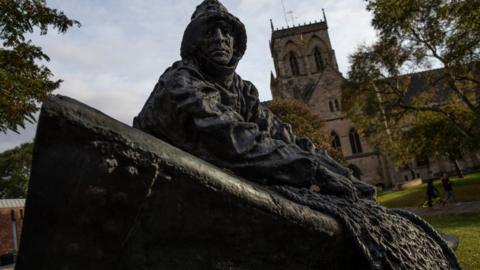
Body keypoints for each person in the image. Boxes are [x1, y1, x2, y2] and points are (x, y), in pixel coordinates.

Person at [133, 0, 375, 201]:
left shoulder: (241, 90)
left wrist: (344, 174)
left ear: (235, 42)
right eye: (209, 32)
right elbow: (234, 140)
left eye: (226, 32)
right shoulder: (181, 82)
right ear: (195, 44)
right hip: (154, 192)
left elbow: (283, 135)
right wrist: (314, 172)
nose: (220, 38)